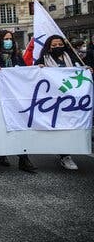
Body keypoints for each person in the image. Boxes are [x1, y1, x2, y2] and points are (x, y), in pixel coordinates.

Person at [0, 30, 37, 173]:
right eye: (6, 38)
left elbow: (24, 71)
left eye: (10, 39)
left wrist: (37, 70)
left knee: (17, 126)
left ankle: (24, 159)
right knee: (0, 126)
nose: (9, 41)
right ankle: (2, 153)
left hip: (14, 98)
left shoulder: (16, 55)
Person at [35, 35, 84, 171]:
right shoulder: (43, 59)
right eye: (54, 45)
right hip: (53, 99)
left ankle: (66, 153)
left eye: (59, 44)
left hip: (71, 98)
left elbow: (80, 69)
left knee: (70, 124)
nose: (57, 47)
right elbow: (34, 73)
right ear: (49, 47)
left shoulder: (71, 57)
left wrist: (86, 70)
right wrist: (38, 68)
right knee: (59, 125)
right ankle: (64, 155)